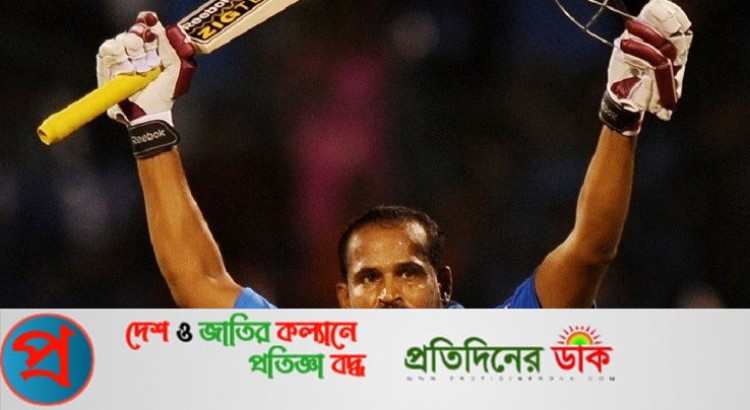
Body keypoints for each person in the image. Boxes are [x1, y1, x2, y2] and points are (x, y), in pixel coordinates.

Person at [96, 1, 692, 309]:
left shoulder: (493, 345)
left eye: (408, 273)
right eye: (368, 278)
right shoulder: (311, 358)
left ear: (444, 283)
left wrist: (621, 116)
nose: (387, 295)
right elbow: (196, 282)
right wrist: (151, 126)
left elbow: (589, 251)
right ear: (342, 298)